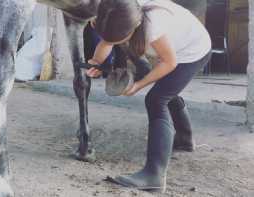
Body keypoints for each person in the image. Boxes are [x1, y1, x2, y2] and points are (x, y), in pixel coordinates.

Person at [86, 0, 211, 193]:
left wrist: (138, 85)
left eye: (120, 38)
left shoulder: (153, 24)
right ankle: (185, 140)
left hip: (193, 52)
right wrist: (96, 62)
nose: (114, 42)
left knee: (156, 99)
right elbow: (107, 41)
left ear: (134, 26)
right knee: (167, 90)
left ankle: (154, 175)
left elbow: (170, 62)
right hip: (175, 47)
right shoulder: (110, 12)